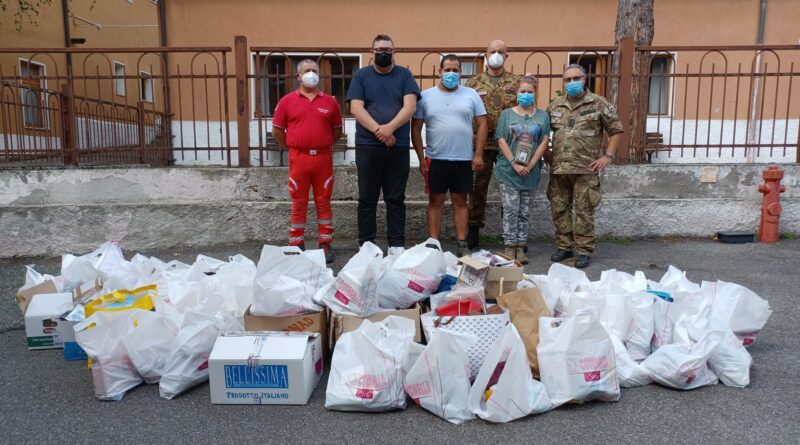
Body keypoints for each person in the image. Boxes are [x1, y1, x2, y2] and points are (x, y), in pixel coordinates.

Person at [346, 34, 420, 255]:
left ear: (394, 52)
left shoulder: (405, 75)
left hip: (397, 147)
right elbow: (356, 108)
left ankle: (396, 246)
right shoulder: (361, 76)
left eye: (387, 49)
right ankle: (366, 245)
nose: (383, 53)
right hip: (368, 146)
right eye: (379, 50)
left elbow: (410, 107)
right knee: (367, 199)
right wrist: (381, 131)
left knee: (395, 199)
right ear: (372, 52)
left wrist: (389, 129)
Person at [545, 64, 624, 269]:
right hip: (560, 168)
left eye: (576, 78)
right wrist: (547, 156)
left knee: (584, 211)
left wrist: (607, 156)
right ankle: (564, 246)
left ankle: (583, 250)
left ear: (584, 79)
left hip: (586, 168)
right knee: (559, 208)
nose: (572, 82)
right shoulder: (555, 106)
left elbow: (616, 130)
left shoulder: (598, 103)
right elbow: (544, 135)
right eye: (568, 79)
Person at [411, 54, 488, 256]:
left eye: (455, 70)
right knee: (435, 200)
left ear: (461, 72)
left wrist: (478, 154)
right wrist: (421, 157)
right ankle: (434, 243)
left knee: (460, 200)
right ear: (440, 71)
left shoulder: (471, 94)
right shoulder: (425, 96)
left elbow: (482, 124)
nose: (451, 74)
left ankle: (462, 243)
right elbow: (416, 127)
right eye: (447, 70)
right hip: (435, 158)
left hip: (463, 159)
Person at [272, 59, 343, 263]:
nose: (311, 74)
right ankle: (296, 243)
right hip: (298, 159)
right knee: (299, 202)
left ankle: (325, 243)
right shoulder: (286, 101)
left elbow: (337, 131)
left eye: (314, 70)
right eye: (307, 71)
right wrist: (294, 146)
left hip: (323, 159)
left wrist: (321, 143)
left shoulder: (330, 102)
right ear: (298, 76)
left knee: (324, 201)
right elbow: (277, 131)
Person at [465, 39, 520, 251]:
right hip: (481, 145)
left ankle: (513, 236)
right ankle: (473, 232)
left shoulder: (517, 83)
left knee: (511, 191)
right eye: (492, 51)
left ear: (506, 56)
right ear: (485, 55)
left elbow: (525, 111)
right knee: (477, 189)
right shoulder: (473, 83)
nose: (496, 55)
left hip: (510, 145)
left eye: (500, 51)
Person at [494, 76, 550, 264]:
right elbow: (501, 140)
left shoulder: (542, 116)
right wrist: (514, 163)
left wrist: (530, 165)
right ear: (517, 93)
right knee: (511, 210)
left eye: (530, 92)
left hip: (530, 173)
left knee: (525, 212)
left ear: (535, 93)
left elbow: (543, 142)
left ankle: (521, 247)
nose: (526, 95)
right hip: (508, 172)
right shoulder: (506, 115)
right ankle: (510, 247)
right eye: (523, 91)